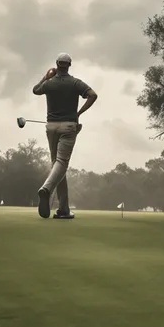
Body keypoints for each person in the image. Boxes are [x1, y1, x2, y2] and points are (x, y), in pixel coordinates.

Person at [32, 52, 98, 219]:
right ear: (69, 65)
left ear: (56, 64)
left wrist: (46, 77)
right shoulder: (75, 83)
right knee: (61, 163)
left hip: (51, 127)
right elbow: (93, 95)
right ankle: (46, 190)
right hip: (69, 127)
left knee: (57, 165)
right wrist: (78, 113)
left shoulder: (49, 84)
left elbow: (35, 90)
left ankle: (63, 209)